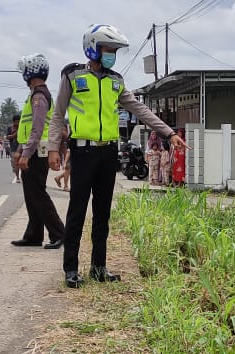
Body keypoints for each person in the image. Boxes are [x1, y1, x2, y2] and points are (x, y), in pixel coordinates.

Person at [48, 24, 187, 288]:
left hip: (108, 152)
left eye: (114, 50)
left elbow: (141, 109)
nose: (111, 54)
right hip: (83, 151)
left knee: (102, 213)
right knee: (77, 211)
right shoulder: (72, 76)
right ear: (93, 48)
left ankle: (99, 268)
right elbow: (58, 115)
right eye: (108, 49)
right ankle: (71, 269)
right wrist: (54, 148)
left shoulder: (116, 81)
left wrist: (169, 133)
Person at [12, 52, 65, 250]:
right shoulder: (35, 94)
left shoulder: (39, 96)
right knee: (30, 194)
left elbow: (37, 127)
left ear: (30, 71)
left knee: (38, 194)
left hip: (37, 152)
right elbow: (26, 130)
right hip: (32, 150)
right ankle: (34, 234)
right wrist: (21, 149)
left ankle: (59, 233)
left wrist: (26, 154)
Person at [6, 115, 22, 183]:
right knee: (15, 164)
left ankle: (22, 176)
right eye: (16, 122)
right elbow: (7, 137)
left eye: (19, 122)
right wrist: (14, 135)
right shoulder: (10, 128)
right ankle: (17, 177)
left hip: (22, 147)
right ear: (13, 122)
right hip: (13, 148)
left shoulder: (22, 126)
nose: (17, 124)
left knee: (21, 163)